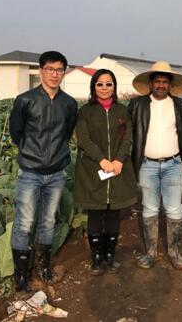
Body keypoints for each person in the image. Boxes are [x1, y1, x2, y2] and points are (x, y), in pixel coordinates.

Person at [9, 51, 78, 292]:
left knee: (48, 222)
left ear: (64, 72)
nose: (54, 74)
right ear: (41, 71)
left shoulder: (69, 104)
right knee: (25, 223)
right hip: (30, 171)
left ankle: (44, 268)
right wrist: (32, 154)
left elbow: (66, 133)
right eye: (50, 69)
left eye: (59, 70)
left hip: (56, 173)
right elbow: (16, 133)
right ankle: (21, 275)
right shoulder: (25, 100)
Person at [73, 69, 137, 275]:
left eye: (108, 84)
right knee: (95, 213)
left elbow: (128, 137)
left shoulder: (122, 111)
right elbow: (84, 139)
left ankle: (110, 256)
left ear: (114, 87)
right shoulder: (85, 112)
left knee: (113, 214)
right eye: (99, 84)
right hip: (94, 169)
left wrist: (118, 160)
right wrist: (102, 160)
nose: (104, 88)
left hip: (118, 170)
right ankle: (96, 258)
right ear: (93, 87)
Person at [128, 61, 182, 270]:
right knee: (149, 207)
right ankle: (151, 252)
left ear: (170, 85)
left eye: (164, 82)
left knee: (174, 208)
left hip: (174, 163)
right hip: (147, 165)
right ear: (150, 84)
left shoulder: (180, 106)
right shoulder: (137, 105)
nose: (161, 85)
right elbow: (127, 135)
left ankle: (174, 252)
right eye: (157, 81)